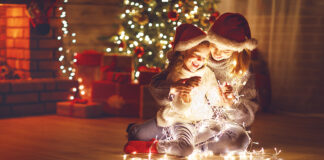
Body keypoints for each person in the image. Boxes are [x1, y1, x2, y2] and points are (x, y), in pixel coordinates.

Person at [142, 13, 258, 155]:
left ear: (238, 50)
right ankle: (180, 143)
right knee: (160, 128)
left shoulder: (242, 70)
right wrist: (175, 89)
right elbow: (159, 83)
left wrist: (230, 103)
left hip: (217, 127)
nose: (217, 53)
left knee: (241, 140)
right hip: (185, 119)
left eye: (226, 50)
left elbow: (248, 110)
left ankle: (184, 146)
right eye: (214, 46)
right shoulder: (198, 54)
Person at [124, 24, 226, 156]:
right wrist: (185, 91)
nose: (200, 61)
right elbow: (180, 108)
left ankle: (162, 138)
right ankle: (149, 143)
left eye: (204, 58)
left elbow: (215, 100)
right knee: (139, 134)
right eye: (196, 55)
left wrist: (225, 97)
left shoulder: (208, 73)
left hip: (200, 120)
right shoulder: (176, 73)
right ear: (184, 52)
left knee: (216, 127)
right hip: (179, 119)